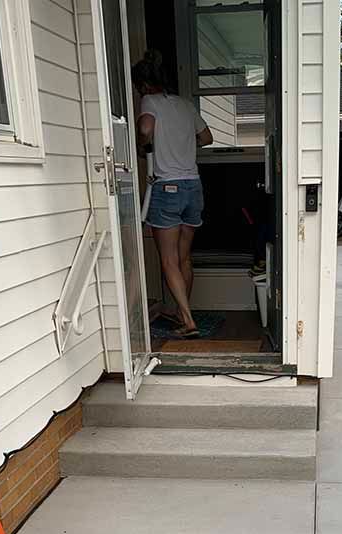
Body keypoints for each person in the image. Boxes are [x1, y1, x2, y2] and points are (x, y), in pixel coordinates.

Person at [133, 51, 213, 339]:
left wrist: (146, 145)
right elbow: (207, 138)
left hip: (167, 188)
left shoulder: (149, 101)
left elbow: (145, 127)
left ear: (143, 85)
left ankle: (188, 321)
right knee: (183, 257)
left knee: (168, 260)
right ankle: (182, 311)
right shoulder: (184, 104)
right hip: (193, 186)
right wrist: (181, 143)